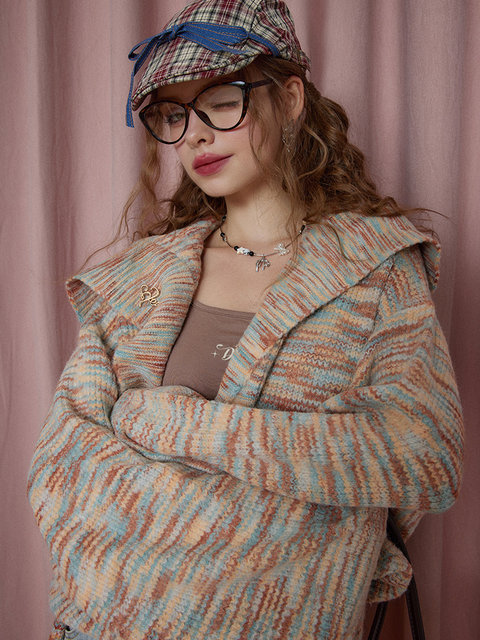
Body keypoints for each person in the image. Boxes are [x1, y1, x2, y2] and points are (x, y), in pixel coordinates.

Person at [28, 1, 464, 639]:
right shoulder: (135, 280)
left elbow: (424, 455)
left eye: (221, 101)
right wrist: (282, 494)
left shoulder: (376, 273)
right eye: (174, 115)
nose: (195, 136)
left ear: (289, 99)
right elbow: (61, 470)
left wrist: (184, 427)